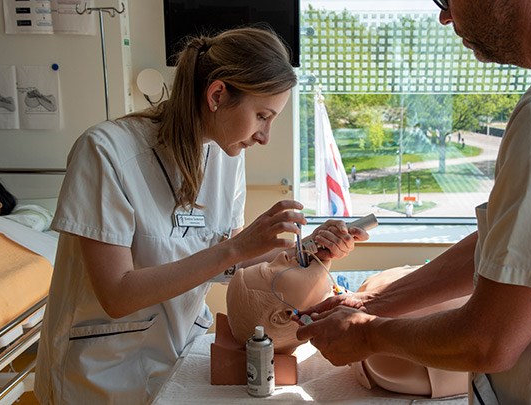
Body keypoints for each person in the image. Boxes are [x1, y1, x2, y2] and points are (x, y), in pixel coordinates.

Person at [296, 1, 531, 403]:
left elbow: (489, 339)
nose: (444, 16)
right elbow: (516, 250)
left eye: (446, 0)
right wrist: (374, 300)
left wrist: (365, 334)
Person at [34, 27, 368, 404]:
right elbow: (117, 294)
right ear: (217, 95)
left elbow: (230, 258)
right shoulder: (105, 152)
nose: (265, 137)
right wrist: (234, 250)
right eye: (262, 116)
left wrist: (304, 251)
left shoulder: (225, 156)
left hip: (179, 348)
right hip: (101, 373)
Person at [225, 252, 468, 398]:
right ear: (286, 315)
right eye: (270, 271)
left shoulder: (368, 290)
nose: (280, 256)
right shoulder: (382, 363)